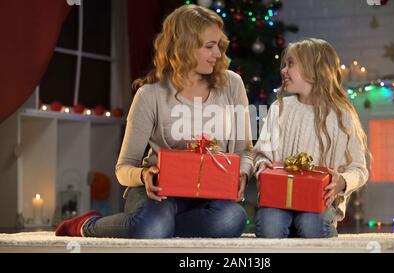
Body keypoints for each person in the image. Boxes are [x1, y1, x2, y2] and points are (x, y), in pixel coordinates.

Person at [55, 4, 253, 239]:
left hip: (209, 194)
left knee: (232, 219)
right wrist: (144, 175)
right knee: (153, 227)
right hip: (161, 192)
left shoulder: (232, 84)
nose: (218, 54)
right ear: (185, 48)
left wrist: (242, 173)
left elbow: (244, 150)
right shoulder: (151, 94)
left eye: (219, 45)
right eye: (209, 46)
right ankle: (87, 225)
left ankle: (161, 226)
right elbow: (123, 167)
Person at [253, 38, 370, 238]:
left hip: (319, 202)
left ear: (314, 70)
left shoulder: (342, 115)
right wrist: (262, 165)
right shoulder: (279, 109)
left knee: (310, 223)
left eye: (291, 64)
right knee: (269, 224)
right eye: (284, 64)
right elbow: (261, 154)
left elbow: (359, 169)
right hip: (279, 200)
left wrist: (342, 181)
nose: (284, 70)